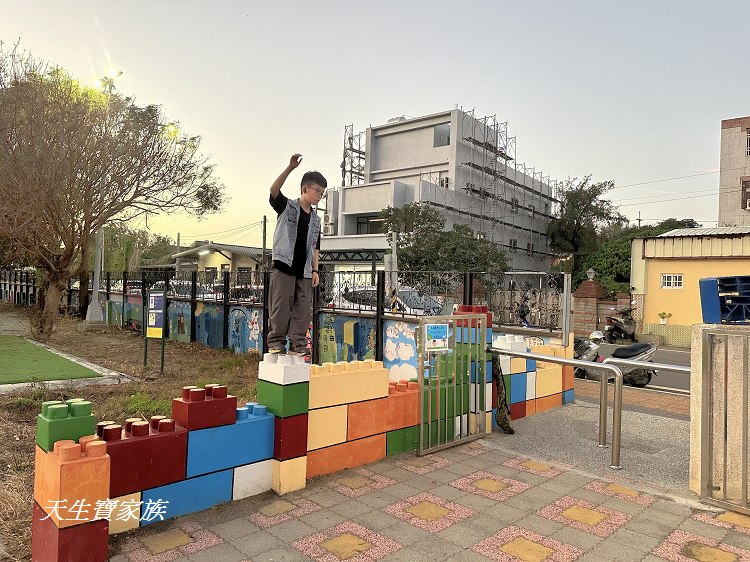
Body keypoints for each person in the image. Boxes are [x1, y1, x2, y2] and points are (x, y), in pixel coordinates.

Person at [267, 153, 325, 355]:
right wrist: (290, 168)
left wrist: (316, 269)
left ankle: (298, 344)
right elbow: (274, 190)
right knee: (281, 305)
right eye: (317, 190)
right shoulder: (286, 207)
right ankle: (276, 342)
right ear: (304, 189)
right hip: (284, 264)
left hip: (306, 270)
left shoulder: (317, 220)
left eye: (322, 192)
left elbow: (316, 246)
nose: (319, 195)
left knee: (303, 309)